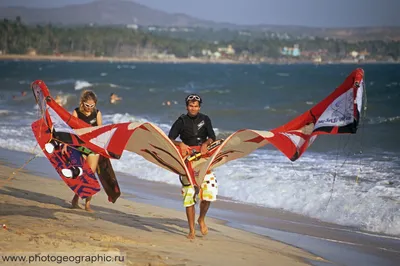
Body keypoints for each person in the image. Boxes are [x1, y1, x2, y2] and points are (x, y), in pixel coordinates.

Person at [168, 94, 217, 239]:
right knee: (189, 195)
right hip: (187, 159)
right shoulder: (181, 121)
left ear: (199, 107)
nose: (193, 108)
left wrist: (206, 144)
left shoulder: (205, 119)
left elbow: (212, 137)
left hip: (203, 159)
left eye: (196, 106)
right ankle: (191, 230)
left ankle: (201, 219)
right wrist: (180, 144)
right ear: (187, 106)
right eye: (191, 106)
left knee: (208, 194)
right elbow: (169, 138)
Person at [62, 90, 102, 212]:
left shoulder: (97, 113)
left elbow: (100, 131)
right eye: (87, 105)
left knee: (90, 176)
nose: (89, 108)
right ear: (82, 103)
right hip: (79, 146)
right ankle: (76, 198)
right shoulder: (77, 112)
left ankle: (87, 205)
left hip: (92, 148)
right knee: (81, 174)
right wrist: (65, 144)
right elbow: (70, 130)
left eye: (92, 105)